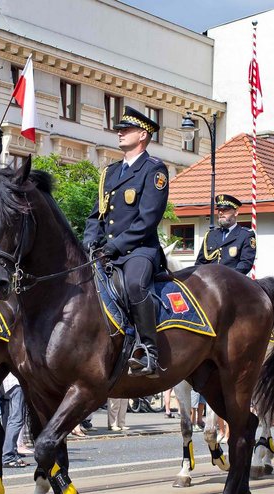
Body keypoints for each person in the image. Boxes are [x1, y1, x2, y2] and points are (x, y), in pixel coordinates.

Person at [83, 106, 169, 378]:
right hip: (106, 251)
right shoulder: (109, 172)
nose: (120, 133)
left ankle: (148, 350)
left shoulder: (154, 170)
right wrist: (89, 241)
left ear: (143, 135)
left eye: (126, 130)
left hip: (138, 250)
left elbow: (147, 220)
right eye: (119, 129)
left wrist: (114, 247)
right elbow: (97, 214)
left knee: (135, 285)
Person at [195, 194, 256, 275]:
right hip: (209, 282)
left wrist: (225, 278)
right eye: (219, 210)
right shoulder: (210, 235)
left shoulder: (245, 235)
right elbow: (200, 263)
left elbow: (245, 264)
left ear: (236, 212)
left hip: (233, 282)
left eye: (225, 210)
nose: (221, 213)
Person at [0, 374, 27, 468]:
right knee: (16, 420)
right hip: (16, 383)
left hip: (9, 384)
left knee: (13, 419)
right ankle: (8, 457)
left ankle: (12, 454)